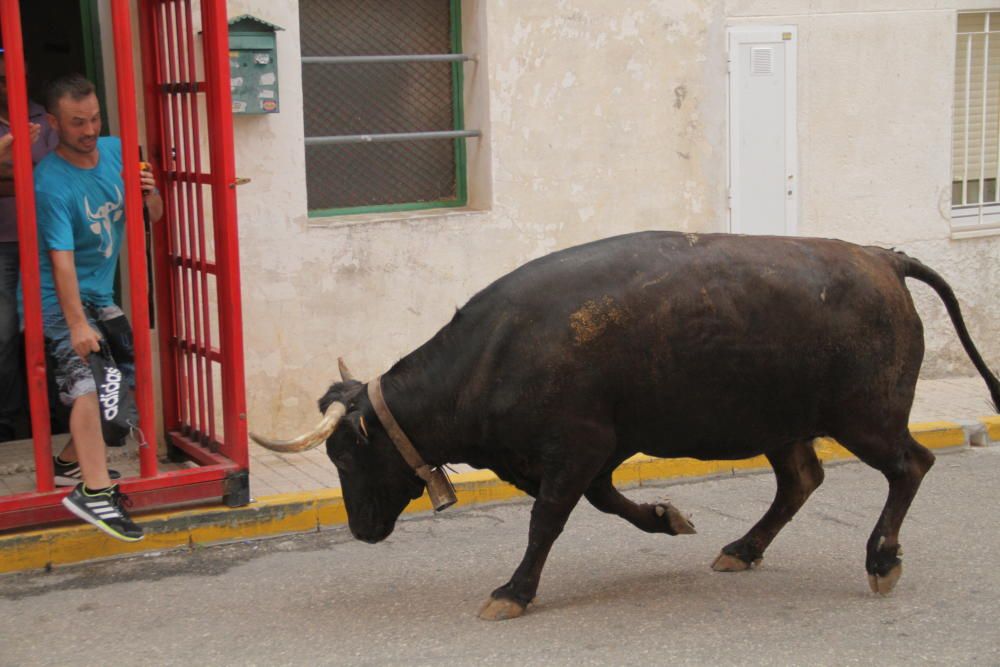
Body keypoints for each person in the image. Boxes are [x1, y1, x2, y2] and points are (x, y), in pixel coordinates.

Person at [29, 73, 162, 541]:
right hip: (58, 302)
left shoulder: (119, 150)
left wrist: (148, 193)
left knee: (118, 389)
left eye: (95, 119)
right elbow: (60, 263)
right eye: (76, 122)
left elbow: (157, 214)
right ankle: (95, 491)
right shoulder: (49, 184)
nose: (89, 131)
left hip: (101, 297)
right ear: (52, 123)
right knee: (87, 383)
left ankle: (69, 461)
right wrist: (77, 324)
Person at [0, 49, 57, 442]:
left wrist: (11, 167)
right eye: (4, 80)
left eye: (18, 78)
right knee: (3, 335)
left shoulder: (45, 116)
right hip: (2, 243)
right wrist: (23, 164)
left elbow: (55, 173)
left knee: (49, 328)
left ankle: (56, 414)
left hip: (44, 239)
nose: (11, 87)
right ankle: (9, 422)